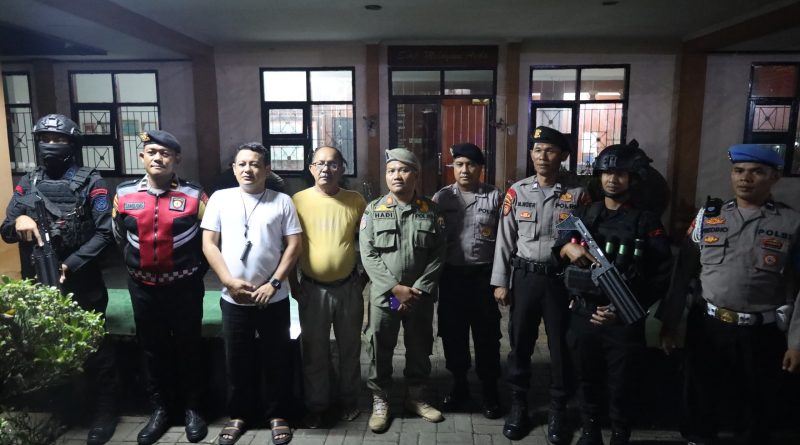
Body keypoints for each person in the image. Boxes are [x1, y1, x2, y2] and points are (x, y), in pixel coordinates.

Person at [658, 144, 800, 445]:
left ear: (774, 177)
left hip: (762, 333)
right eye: (738, 171)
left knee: (756, 409)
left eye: (756, 172)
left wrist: (797, 343)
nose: (745, 178)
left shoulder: (791, 224)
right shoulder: (709, 217)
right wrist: (670, 323)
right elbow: (682, 274)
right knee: (700, 398)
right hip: (709, 326)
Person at [1, 113, 118, 444]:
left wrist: (71, 264)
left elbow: (105, 232)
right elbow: (6, 228)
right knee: (51, 346)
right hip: (41, 279)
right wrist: (19, 222)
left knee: (95, 347)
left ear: (72, 144)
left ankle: (105, 412)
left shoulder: (92, 182)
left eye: (59, 139)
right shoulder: (28, 183)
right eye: (45, 139)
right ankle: (67, 409)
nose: (51, 145)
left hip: (82, 279)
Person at [555, 143, 672, 445]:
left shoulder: (646, 221)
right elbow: (559, 243)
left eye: (620, 173)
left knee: (622, 383)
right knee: (586, 378)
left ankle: (620, 433)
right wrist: (566, 248)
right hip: (584, 312)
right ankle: (590, 430)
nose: (612, 179)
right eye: (607, 173)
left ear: (632, 178)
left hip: (622, 317)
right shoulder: (584, 213)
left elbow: (661, 274)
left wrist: (623, 309)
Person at [490, 126, 588, 442]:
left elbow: (587, 240)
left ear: (563, 155)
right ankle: (519, 404)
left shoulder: (578, 194)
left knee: (561, 346)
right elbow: (505, 240)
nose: (542, 156)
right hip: (525, 278)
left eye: (550, 150)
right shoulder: (517, 192)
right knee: (520, 343)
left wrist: (582, 288)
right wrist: (501, 282)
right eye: (537, 150)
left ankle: (558, 408)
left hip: (561, 281)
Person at [201, 142, 302, 445]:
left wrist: (274, 283)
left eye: (255, 164)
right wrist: (228, 282)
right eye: (242, 164)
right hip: (233, 297)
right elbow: (209, 244)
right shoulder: (220, 199)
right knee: (237, 359)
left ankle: (277, 414)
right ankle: (239, 415)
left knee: (276, 357)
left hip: (273, 297)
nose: (248, 169)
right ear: (234, 169)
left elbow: (294, 245)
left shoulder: (282, 201)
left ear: (266, 169)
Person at [112, 130, 208, 444]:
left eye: (165, 153)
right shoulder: (123, 194)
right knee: (152, 349)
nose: (158, 158)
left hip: (184, 288)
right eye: (152, 152)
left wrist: (194, 274)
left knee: (189, 347)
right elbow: (118, 235)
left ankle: (193, 409)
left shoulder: (195, 195)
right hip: (142, 289)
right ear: (142, 156)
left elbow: (209, 240)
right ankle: (160, 410)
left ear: (176, 158)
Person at [360, 148, 446, 433]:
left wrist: (418, 289)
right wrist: (394, 288)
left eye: (403, 170)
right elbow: (368, 253)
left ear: (415, 175)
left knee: (419, 347)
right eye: (391, 171)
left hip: (418, 299)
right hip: (386, 298)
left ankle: (416, 397)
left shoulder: (431, 210)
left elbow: (439, 254)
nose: (397, 175)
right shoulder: (374, 210)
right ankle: (381, 400)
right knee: (379, 347)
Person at [288, 146, 367, 428]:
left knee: (350, 348)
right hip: (312, 289)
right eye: (320, 163)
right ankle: (317, 405)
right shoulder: (297, 201)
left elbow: (370, 242)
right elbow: (289, 246)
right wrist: (293, 284)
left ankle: (349, 400)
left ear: (342, 169)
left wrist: (364, 278)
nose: (326, 169)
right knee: (314, 351)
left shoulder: (355, 200)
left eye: (332, 164)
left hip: (348, 289)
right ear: (311, 168)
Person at [432, 143, 502, 419]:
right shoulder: (442, 198)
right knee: (453, 334)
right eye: (459, 164)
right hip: (451, 277)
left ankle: (490, 389)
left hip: (483, 277)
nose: (464, 170)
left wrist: (502, 281)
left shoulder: (495, 197)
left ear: (480, 168)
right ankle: (459, 385)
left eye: (470, 165)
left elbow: (506, 240)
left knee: (488, 335)